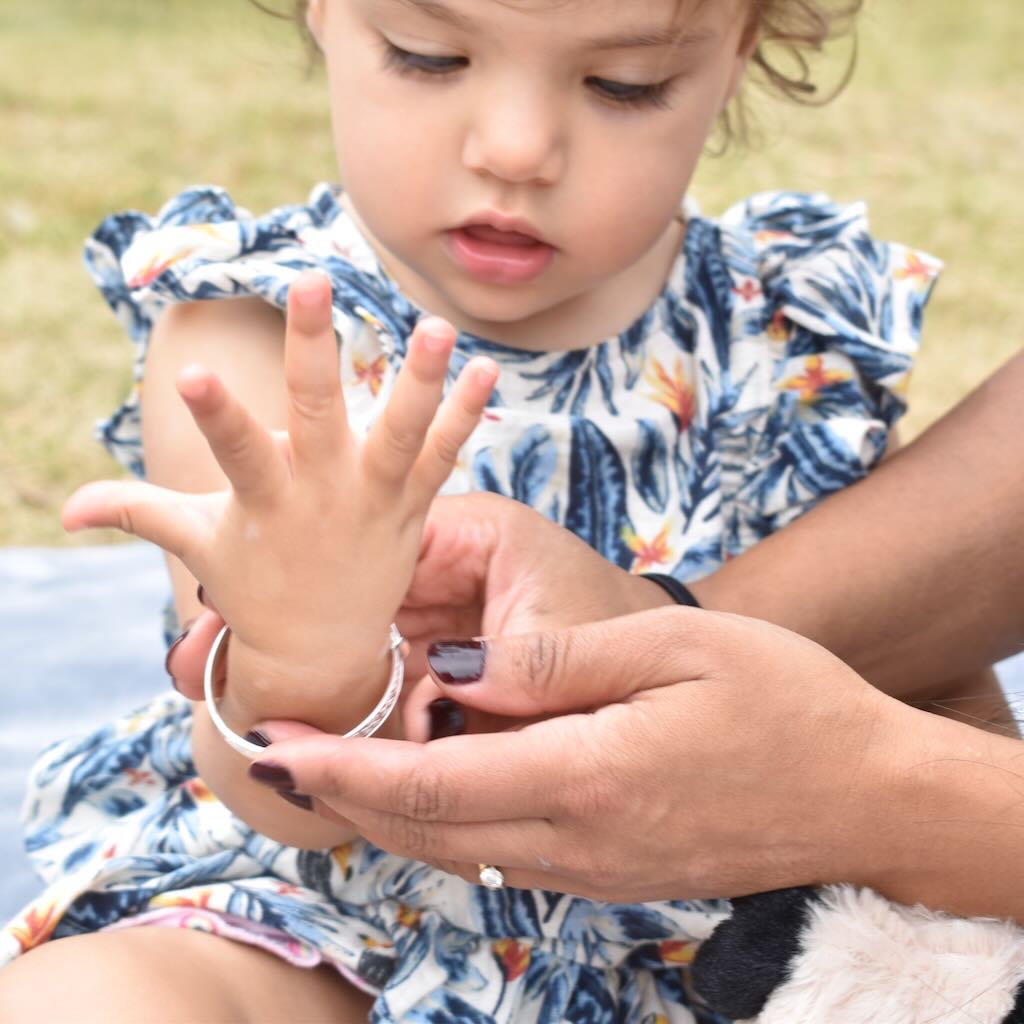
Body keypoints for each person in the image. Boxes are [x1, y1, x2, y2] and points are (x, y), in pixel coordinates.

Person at [0, 0, 999, 1020]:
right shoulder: (263, 333)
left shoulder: (795, 336)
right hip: (339, 922)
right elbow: (272, 798)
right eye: (429, 58)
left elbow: (923, 670)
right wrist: (306, 654)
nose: (517, 151)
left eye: (623, 84)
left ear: (736, 52)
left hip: (718, 943)